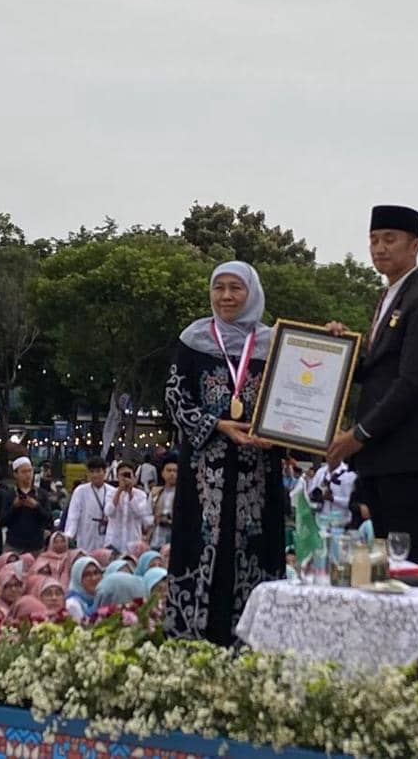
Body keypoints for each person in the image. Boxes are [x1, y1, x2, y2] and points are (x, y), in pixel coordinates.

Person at [164, 260, 285, 645]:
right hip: (204, 470)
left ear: (252, 293)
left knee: (254, 547)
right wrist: (218, 425)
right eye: (220, 288)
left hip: (257, 469)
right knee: (198, 548)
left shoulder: (274, 343)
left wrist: (279, 435)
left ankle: (253, 645)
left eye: (236, 288)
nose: (227, 296)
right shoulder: (193, 339)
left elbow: (291, 401)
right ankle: (193, 644)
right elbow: (174, 397)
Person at [324, 206, 418, 564]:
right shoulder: (389, 296)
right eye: (374, 240)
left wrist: (358, 434)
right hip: (378, 456)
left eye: (389, 239)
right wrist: (340, 349)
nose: (379, 248)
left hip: (402, 452)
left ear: (415, 245)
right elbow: (376, 370)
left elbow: (411, 382)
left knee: (401, 559)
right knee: (379, 560)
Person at [61, 457, 115, 552]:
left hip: (106, 533)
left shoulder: (112, 491)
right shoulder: (80, 491)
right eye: (92, 472)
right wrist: (69, 534)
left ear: (105, 472)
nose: (95, 475)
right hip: (86, 533)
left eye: (98, 471)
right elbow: (73, 515)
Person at [3, 457, 51, 553]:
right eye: (24, 472)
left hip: (36, 545)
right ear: (15, 474)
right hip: (14, 544)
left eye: (30, 471)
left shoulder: (41, 494)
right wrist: (14, 507)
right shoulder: (9, 494)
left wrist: (36, 506)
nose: (28, 475)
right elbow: (3, 521)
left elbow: (48, 519)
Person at [104, 461, 153, 553]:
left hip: (133, 541)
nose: (125, 478)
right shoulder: (111, 493)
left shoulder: (141, 494)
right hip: (114, 542)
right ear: (117, 477)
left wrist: (130, 493)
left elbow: (139, 513)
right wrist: (119, 491)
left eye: (128, 475)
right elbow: (108, 512)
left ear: (133, 477)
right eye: (122, 475)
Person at [309, 452, 357, 517]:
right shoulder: (320, 472)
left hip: (341, 522)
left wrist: (333, 498)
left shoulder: (349, 474)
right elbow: (310, 493)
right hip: (320, 519)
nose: (331, 457)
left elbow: (352, 503)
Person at [149, 459, 177, 549]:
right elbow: (145, 514)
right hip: (155, 539)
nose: (172, 474)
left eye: (175, 471)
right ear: (162, 473)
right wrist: (156, 519)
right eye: (169, 470)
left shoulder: (184, 495)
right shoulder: (155, 492)